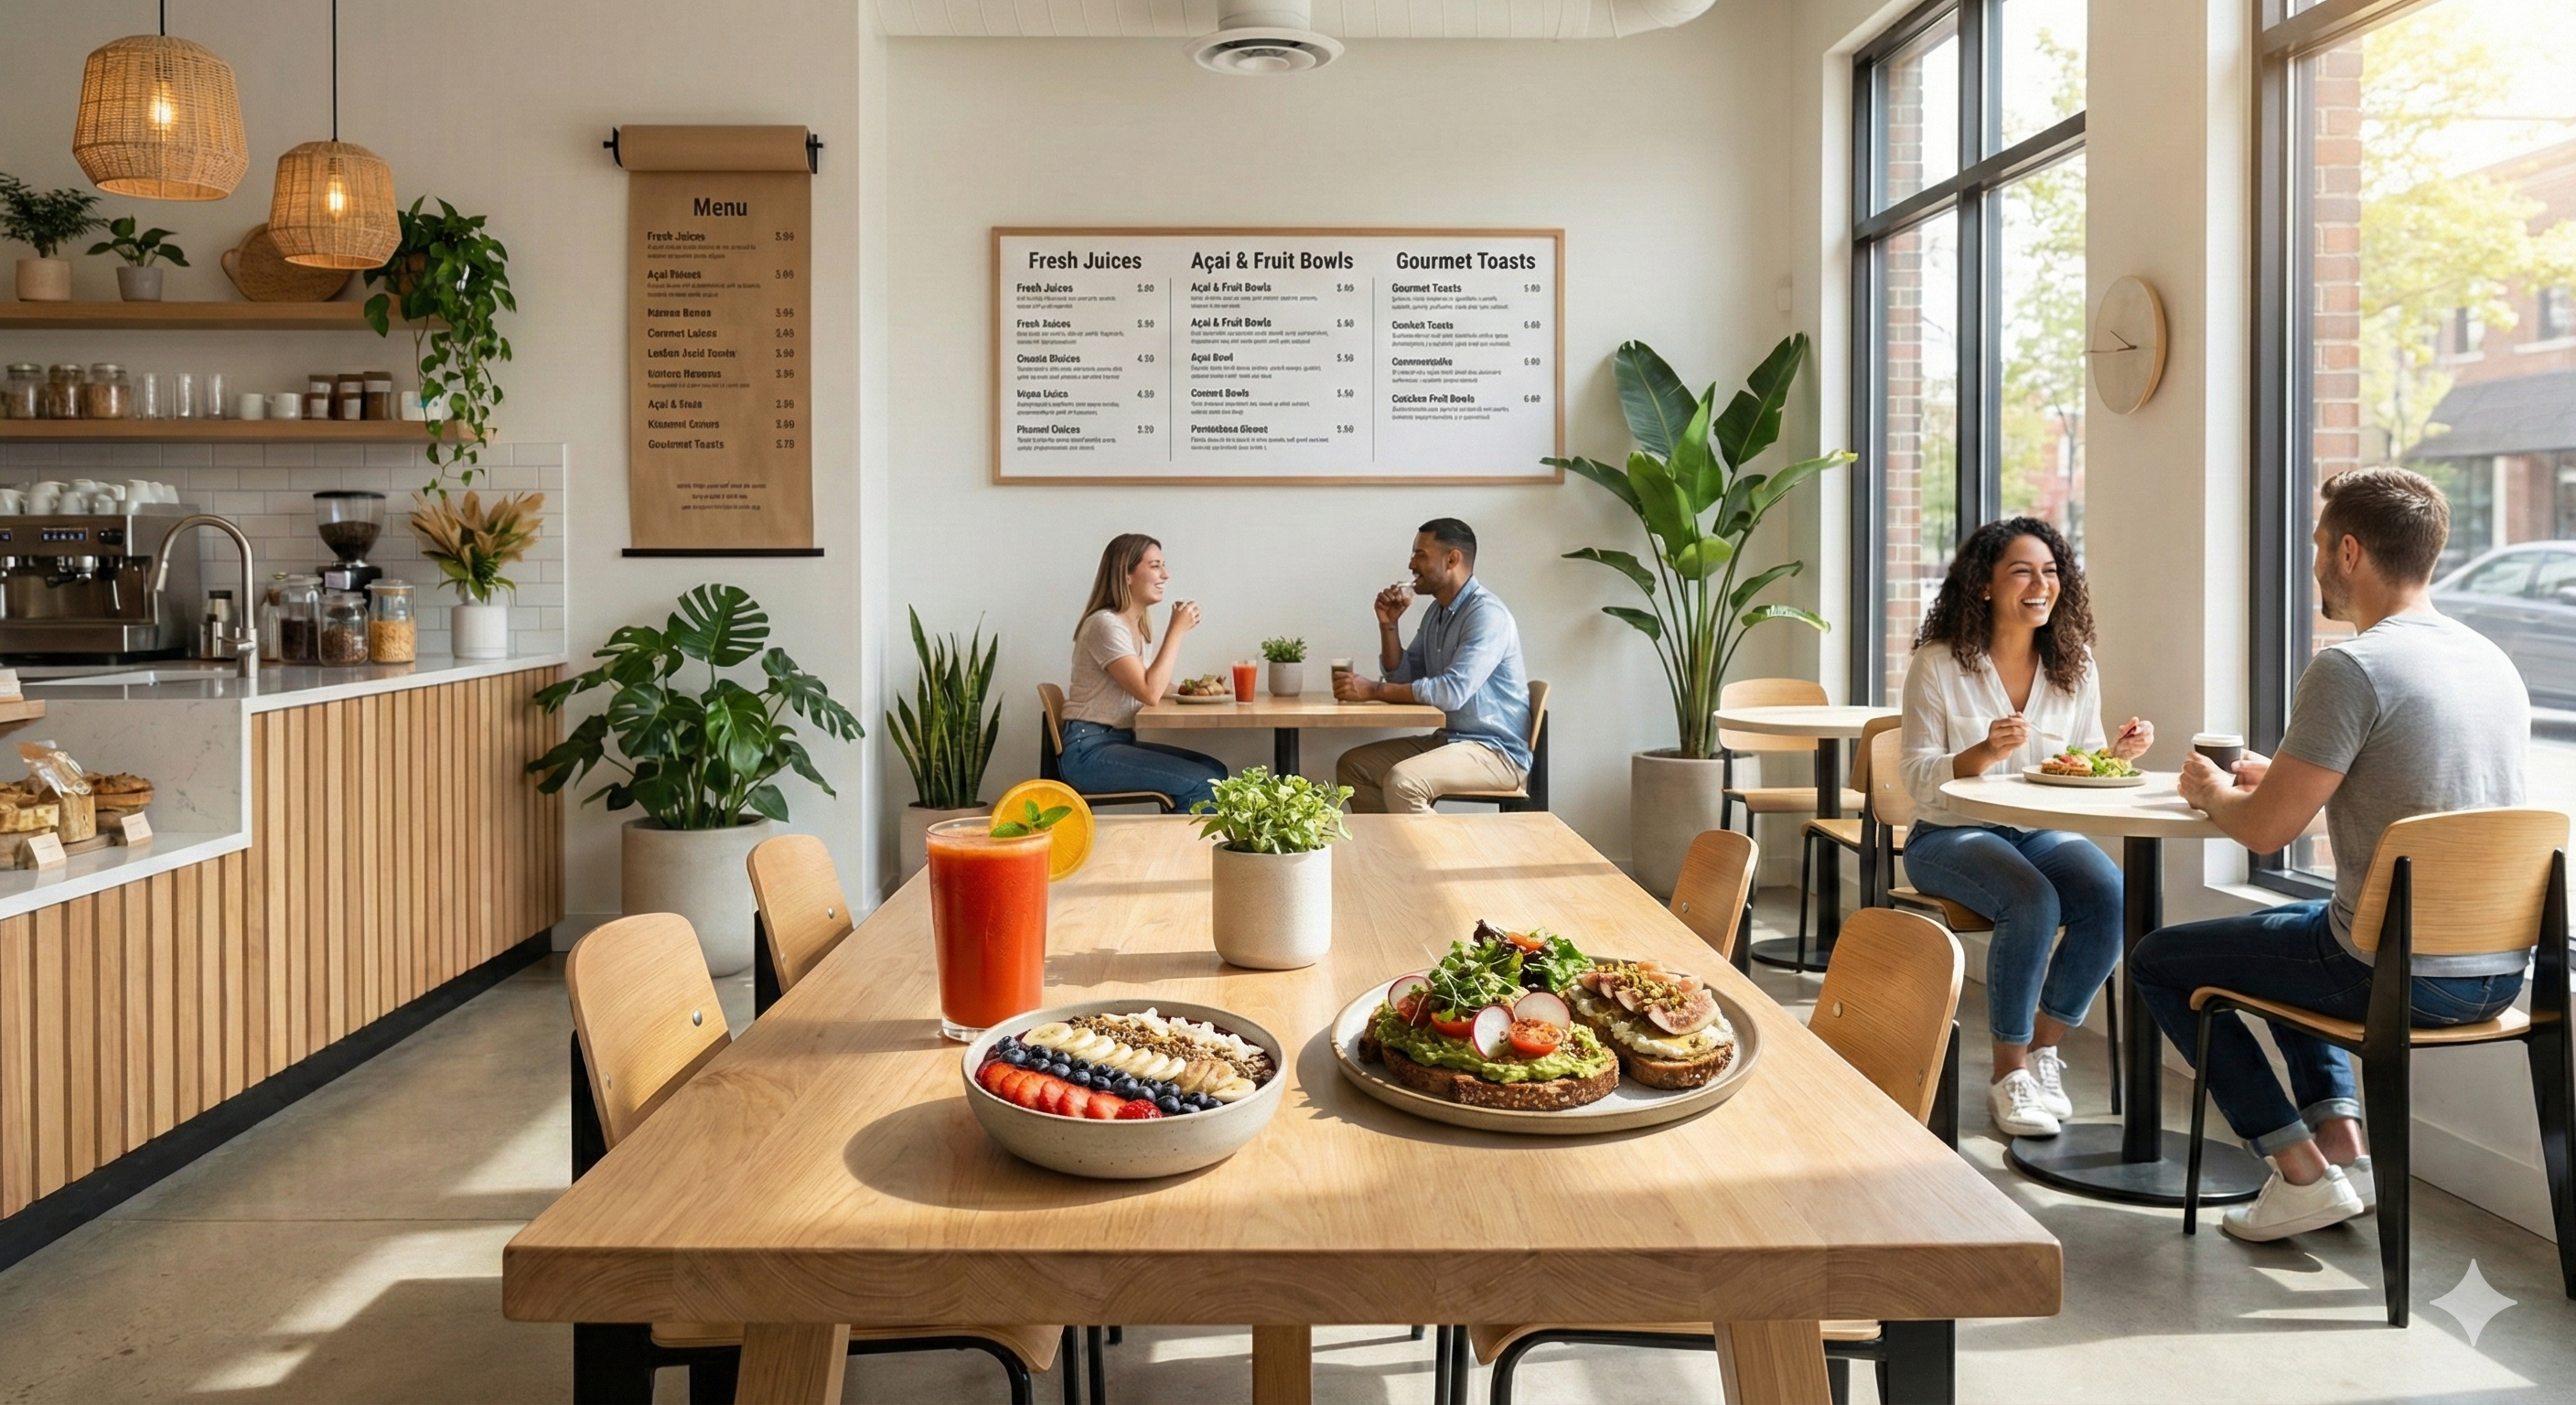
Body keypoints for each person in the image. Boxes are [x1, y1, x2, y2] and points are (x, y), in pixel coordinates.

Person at [2133, 467, 2528, 1242]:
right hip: (2497, 972)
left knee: (2159, 960)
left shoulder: (2352, 667)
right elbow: (2403, 784)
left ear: (2350, 551)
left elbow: (2265, 834)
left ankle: (2298, 1170)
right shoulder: (2490, 661)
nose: (2314, 563)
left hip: (2396, 975)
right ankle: (2348, 1147)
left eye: (2319, 545)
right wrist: (2274, 777)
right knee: (2297, 928)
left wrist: (2215, 790)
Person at [1896, 517, 2152, 1140]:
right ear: (1983, 585)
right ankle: (2006, 1074)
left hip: (2036, 831)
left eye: (2051, 571)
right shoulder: (1936, 665)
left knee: (2112, 895)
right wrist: (1981, 754)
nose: (2041, 584)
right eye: (2022, 571)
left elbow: (2080, 757)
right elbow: (1914, 775)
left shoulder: (2074, 664)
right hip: (1948, 834)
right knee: (2032, 899)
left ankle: (2043, 1050)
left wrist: (2116, 755)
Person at [1333, 519, 1532, 812]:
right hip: (1452, 740)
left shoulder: (1487, 615)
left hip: (1496, 752)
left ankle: (1437, 859)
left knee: (1404, 782)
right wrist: (1389, 626)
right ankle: (1393, 857)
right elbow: (1404, 675)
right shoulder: (1437, 613)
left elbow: (1450, 693)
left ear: (1452, 559)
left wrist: (1373, 690)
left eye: (1420, 554)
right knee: (1355, 767)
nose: (1411, 564)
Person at [1058, 533, 1228, 810]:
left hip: (1113, 741)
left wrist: (1192, 689)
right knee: (1204, 782)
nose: (1166, 574)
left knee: (1215, 770)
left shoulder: (1133, 625)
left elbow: (1150, 683)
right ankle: (1183, 854)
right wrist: (1177, 629)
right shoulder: (1106, 625)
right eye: (1155, 566)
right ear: (1126, 575)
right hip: (1088, 751)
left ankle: (1185, 849)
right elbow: (1149, 692)